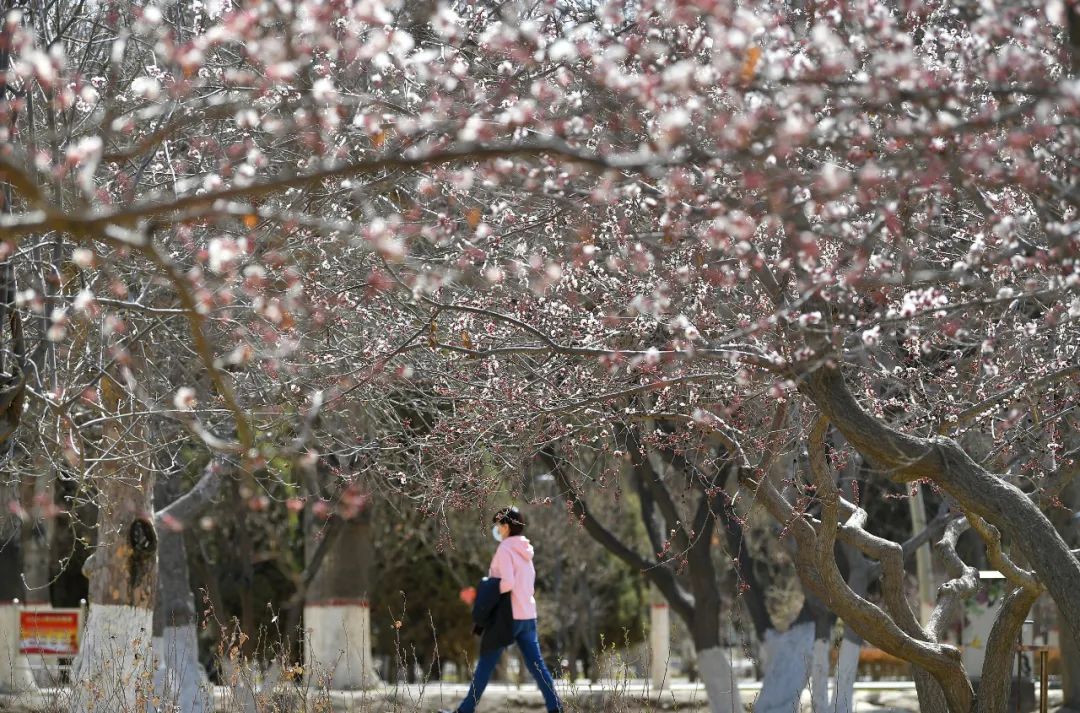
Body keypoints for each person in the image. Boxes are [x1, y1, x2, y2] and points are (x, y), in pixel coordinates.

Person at [440, 507, 562, 713]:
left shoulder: (505, 549)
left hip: (508, 617)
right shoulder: (526, 551)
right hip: (527, 615)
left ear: (506, 526)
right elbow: (527, 584)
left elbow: (507, 583)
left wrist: (482, 591)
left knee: (485, 665)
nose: (496, 529)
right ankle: (555, 707)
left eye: (498, 525)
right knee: (537, 666)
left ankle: (465, 711)